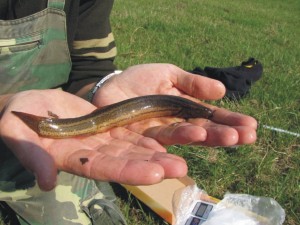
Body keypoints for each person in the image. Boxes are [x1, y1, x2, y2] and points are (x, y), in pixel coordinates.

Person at [0, 0, 257, 224]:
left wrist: (100, 86)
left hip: (40, 136)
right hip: (25, 129)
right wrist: (5, 104)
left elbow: (87, 67)